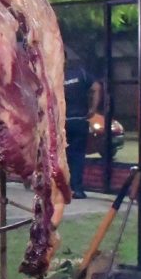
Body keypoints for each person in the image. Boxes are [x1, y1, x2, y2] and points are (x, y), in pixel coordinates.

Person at [63, 59, 101, 200]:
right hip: (79, 121)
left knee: (63, 157)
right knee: (77, 156)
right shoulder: (82, 74)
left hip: (63, 123)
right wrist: (92, 109)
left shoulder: (55, 77)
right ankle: (77, 189)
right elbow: (97, 87)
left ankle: (63, 189)